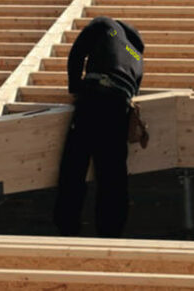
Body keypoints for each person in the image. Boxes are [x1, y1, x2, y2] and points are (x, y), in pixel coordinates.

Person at [53, 15, 144, 238]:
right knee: (112, 174)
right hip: (118, 106)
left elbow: (77, 53)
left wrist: (75, 88)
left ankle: (67, 230)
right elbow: (134, 90)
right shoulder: (136, 54)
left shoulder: (105, 25)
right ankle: (110, 236)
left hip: (94, 96)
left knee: (74, 166)